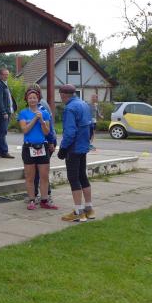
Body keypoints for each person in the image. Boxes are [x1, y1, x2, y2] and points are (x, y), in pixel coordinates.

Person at [57, 84, 94, 222]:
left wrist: (63, 149)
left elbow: (70, 132)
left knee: (74, 179)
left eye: (60, 95)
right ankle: (89, 209)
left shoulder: (70, 108)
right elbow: (91, 126)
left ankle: (78, 212)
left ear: (63, 95)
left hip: (73, 148)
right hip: (83, 146)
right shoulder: (84, 104)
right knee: (82, 176)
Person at [18, 87, 57, 210]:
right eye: (30, 98)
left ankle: (44, 200)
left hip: (42, 146)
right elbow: (25, 130)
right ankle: (32, 200)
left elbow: (46, 132)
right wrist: (35, 118)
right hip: (29, 146)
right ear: (27, 99)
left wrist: (41, 120)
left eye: (34, 98)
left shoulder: (44, 113)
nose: (32, 100)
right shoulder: (23, 113)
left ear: (38, 99)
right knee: (30, 176)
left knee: (44, 176)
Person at [32, 83, 56, 205]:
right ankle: (43, 195)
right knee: (41, 170)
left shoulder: (40, 107)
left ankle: (40, 195)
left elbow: (47, 128)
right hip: (47, 140)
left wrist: (50, 142)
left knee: (39, 170)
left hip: (45, 142)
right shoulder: (43, 103)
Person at [0, 67, 17, 159]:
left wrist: (12, 110)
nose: (6, 76)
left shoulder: (4, 85)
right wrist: (4, 112)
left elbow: (8, 99)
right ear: (0, 75)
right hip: (3, 113)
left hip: (7, 111)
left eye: (7, 74)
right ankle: (4, 151)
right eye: (5, 74)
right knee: (3, 132)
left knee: (0, 132)